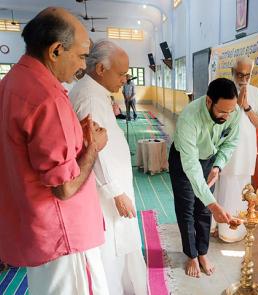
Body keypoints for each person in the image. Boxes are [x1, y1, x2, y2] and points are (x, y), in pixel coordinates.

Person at [0, 7, 110, 294]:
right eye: (82, 55)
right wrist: (93, 148)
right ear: (56, 50)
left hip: (37, 230)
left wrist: (74, 133)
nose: (83, 65)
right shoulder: (48, 99)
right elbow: (64, 188)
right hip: (65, 238)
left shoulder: (12, 83)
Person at [70, 40, 148, 295]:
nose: (126, 79)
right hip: (106, 197)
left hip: (113, 192)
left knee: (122, 250)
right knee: (110, 257)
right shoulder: (90, 98)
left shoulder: (96, 94)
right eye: (122, 73)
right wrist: (115, 192)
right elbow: (94, 150)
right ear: (101, 69)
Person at [169, 78, 242, 278]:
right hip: (184, 160)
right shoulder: (189, 118)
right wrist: (214, 204)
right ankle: (191, 255)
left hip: (210, 160)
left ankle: (202, 253)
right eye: (222, 111)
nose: (227, 116)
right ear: (209, 102)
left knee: (203, 210)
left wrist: (218, 165)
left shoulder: (234, 113)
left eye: (231, 111)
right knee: (187, 208)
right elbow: (191, 166)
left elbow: (231, 142)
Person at [213, 57, 258, 242]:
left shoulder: (256, 93)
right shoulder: (223, 91)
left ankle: (236, 230)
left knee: (242, 188)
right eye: (239, 74)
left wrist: (246, 107)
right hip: (225, 150)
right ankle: (221, 227)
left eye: (247, 75)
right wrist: (235, 105)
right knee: (224, 186)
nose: (243, 79)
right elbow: (216, 120)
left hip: (245, 150)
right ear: (232, 72)